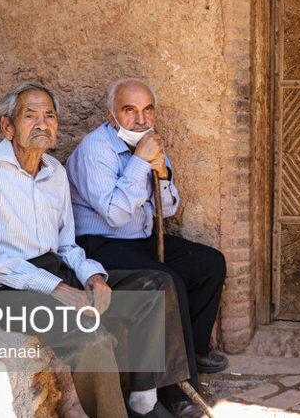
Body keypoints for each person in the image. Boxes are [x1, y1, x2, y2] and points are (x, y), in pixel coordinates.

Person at [0, 82, 192, 418]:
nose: (42, 123)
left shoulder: (54, 172)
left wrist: (94, 276)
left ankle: (143, 401)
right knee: (93, 337)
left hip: (51, 274)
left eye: (49, 115)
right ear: (7, 126)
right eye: (30, 116)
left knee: (153, 286)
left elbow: (66, 246)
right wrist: (56, 288)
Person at [66, 78, 227, 417]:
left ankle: (194, 348)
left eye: (147, 110)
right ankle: (176, 390)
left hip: (142, 239)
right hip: (102, 244)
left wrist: (162, 171)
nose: (141, 120)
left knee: (208, 264)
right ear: (112, 117)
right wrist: (140, 163)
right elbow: (114, 215)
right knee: (167, 281)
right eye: (130, 111)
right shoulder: (96, 150)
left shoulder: (150, 144)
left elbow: (167, 210)